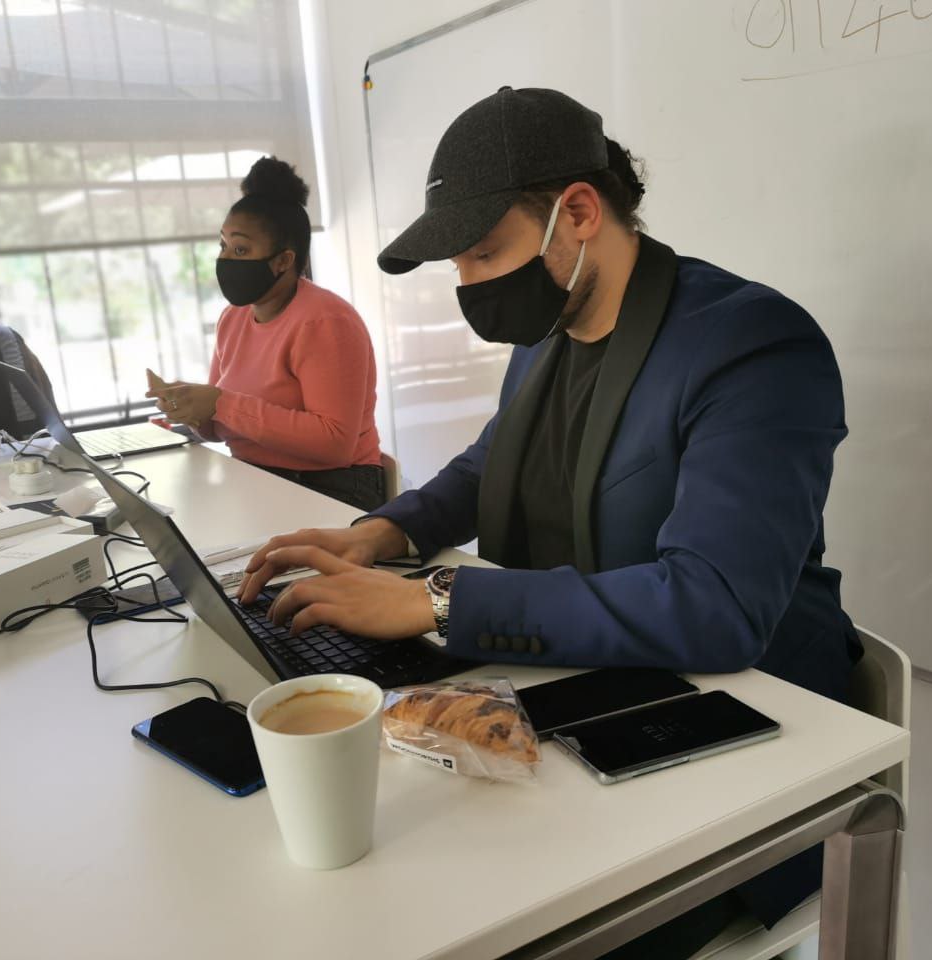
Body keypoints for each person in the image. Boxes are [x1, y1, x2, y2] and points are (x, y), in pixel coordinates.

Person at [236, 88, 863, 958]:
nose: (469, 285)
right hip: (579, 694)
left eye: (484, 252)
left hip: (738, 740)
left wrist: (436, 600)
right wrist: (380, 533)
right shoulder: (551, 327)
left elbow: (716, 604)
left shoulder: (754, 347)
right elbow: (490, 462)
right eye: (458, 263)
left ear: (578, 213)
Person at [146, 156, 385, 512]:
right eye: (223, 246)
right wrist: (191, 409)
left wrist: (221, 403)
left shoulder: (325, 321)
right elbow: (219, 427)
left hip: (334, 485)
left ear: (283, 261)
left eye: (241, 249)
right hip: (255, 477)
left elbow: (335, 444)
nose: (226, 259)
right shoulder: (233, 319)